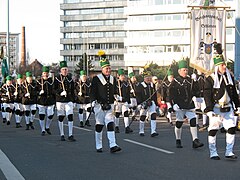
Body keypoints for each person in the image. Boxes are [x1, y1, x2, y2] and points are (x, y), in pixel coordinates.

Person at [204, 54, 240, 160]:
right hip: (216, 108)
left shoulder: (229, 77)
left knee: (231, 128)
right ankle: (213, 152)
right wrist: (209, 109)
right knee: (213, 130)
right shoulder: (211, 79)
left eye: (225, 65)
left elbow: (233, 93)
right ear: (217, 66)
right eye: (222, 65)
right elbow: (207, 94)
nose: (225, 67)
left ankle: (229, 151)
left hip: (228, 108)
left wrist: (238, 106)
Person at [91, 50, 121, 153]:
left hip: (110, 105)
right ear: (102, 69)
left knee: (110, 123)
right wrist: (95, 102)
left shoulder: (113, 78)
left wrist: (116, 96)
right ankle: (98, 145)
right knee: (99, 125)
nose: (108, 70)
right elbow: (93, 92)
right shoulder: (96, 79)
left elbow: (114, 91)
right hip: (99, 105)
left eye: (109, 68)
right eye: (106, 68)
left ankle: (113, 145)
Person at [169, 60, 204, 149]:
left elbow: (196, 91)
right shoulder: (175, 81)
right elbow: (171, 94)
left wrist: (195, 81)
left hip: (189, 105)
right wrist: (173, 104)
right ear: (179, 71)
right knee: (179, 123)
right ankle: (178, 139)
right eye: (184, 70)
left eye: (187, 70)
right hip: (179, 105)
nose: (185, 72)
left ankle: (195, 140)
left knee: (193, 119)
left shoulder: (190, 80)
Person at [54, 61, 76, 141]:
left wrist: (74, 101)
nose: (65, 71)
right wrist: (60, 92)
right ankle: (62, 134)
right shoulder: (57, 79)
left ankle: (70, 134)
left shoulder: (70, 79)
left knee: (70, 116)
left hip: (69, 100)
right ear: (61, 70)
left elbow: (73, 90)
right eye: (63, 69)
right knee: (61, 117)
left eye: (66, 69)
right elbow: (54, 89)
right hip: (60, 100)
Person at [36, 66, 55, 136]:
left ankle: (47, 126)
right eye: (44, 73)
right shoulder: (38, 81)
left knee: (50, 115)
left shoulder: (51, 81)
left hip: (50, 100)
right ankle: (43, 129)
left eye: (47, 73)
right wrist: (39, 92)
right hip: (42, 100)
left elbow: (54, 90)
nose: (45, 74)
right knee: (42, 115)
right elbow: (35, 91)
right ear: (42, 74)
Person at [114, 68, 133, 134]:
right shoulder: (115, 83)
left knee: (126, 113)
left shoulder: (126, 84)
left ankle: (127, 127)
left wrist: (129, 102)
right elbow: (113, 93)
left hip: (125, 101)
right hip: (118, 102)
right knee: (117, 114)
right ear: (118, 76)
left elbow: (128, 93)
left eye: (123, 75)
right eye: (121, 75)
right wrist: (118, 97)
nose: (123, 77)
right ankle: (116, 127)